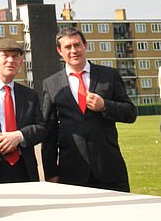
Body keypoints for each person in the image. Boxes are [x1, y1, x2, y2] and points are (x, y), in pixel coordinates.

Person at [42, 26, 137, 192]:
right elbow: (48, 133)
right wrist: (51, 173)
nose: (74, 51)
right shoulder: (51, 84)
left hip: (109, 169)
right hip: (71, 173)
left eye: (77, 45)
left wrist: (105, 105)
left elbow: (130, 113)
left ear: (85, 45)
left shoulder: (109, 75)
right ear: (59, 51)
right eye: (68, 47)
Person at [0, 38, 46, 183]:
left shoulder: (29, 95)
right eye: (5, 56)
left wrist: (19, 136)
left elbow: (41, 128)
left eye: (15, 57)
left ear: (21, 62)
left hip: (24, 171)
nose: (11, 60)